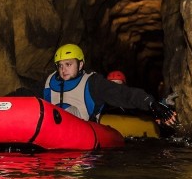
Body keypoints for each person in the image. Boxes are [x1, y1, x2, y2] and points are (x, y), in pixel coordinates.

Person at [43, 44, 177, 127]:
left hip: (82, 127)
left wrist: (151, 104)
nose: (63, 70)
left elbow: (124, 94)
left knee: (68, 110)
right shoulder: (49, 81)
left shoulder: (93, 83)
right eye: (60, 65)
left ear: (81, 65)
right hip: (50, 124)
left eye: (68, 64)